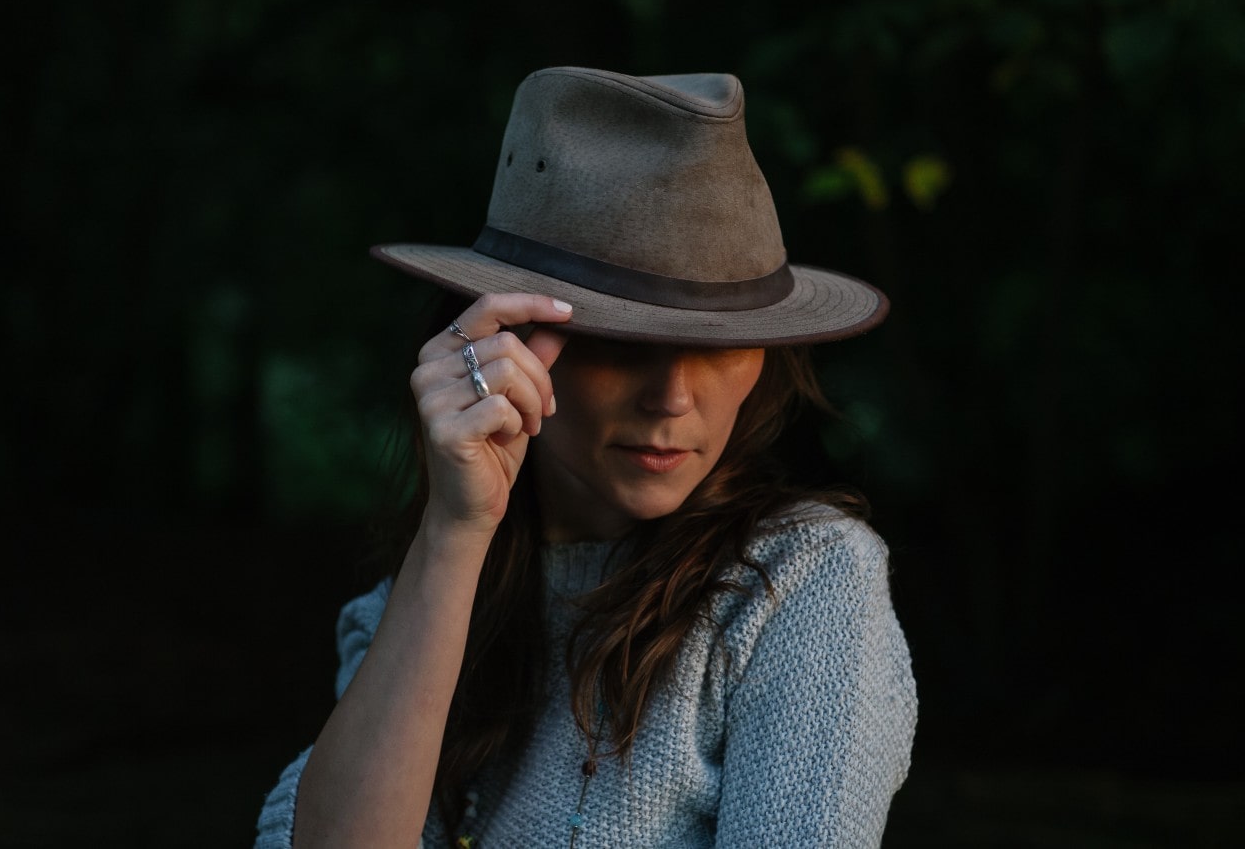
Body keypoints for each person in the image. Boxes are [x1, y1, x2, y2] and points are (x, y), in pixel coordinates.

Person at [255, 66, 916, 848]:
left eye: (720, 346)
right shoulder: (423, 602)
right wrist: (454, 534)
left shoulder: (800, 581)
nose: (673, 397)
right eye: (621, 341)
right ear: (498, 342)